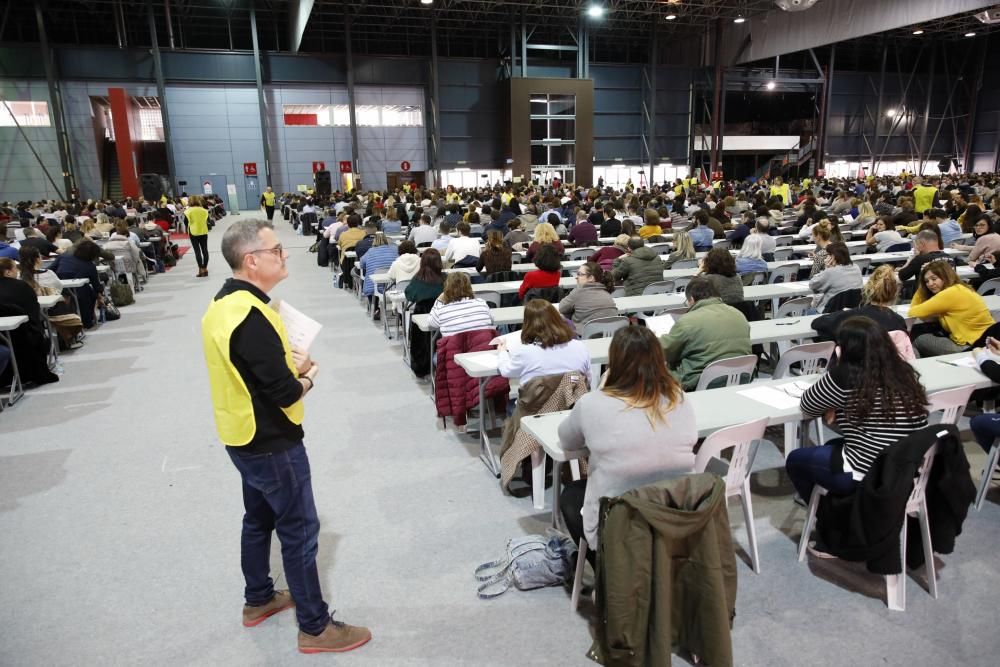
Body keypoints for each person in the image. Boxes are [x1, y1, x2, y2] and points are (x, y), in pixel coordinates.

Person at [201, 220, 370, 653]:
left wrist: (283, 368)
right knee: (299, 529)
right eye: (277, 249)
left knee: (258, 519)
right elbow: (283, 392)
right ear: (252, 260)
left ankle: (258, 598)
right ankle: (315, 627)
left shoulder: (223, 304)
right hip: (272, 440)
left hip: (241, 433)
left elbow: (252, 372)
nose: (285, 254)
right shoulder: (252, 317)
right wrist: (309, 376)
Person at [558, 325, 697, 557]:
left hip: (618, 522)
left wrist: (602, 388)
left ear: (614, 363)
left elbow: (567, 441)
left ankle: (608, 571)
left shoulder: (592, 403)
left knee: (571, 496)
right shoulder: (679, 398)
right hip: (675, 512)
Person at [786, 316, 929, 505]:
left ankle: (825, 514)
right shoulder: (903, 371)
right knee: (834, 444)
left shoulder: (846, 374)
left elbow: (808, 405)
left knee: (795, 460)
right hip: (908, 467)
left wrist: (833, 403)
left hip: (868, 471)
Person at [659, 277, 751, 390]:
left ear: (691, 299)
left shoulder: (688, 321)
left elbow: (664, 351)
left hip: (697, 382)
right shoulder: (739, 315)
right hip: (740, 379)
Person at [909, 260, 995, 356]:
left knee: (916, 336)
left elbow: (913, 312)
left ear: (945, 277)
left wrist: (921, 287)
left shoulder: (948, 294)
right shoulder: (962, 287)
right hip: (989, 342)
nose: (930, 284)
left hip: (969, 347)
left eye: (934, 279)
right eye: (926, 281)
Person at [497, 298, 590, 385]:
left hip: (536, 401)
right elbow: (588, 380)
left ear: (528, 324)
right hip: (574, 400)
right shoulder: (580, 347)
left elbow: (506, 371)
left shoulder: (526, 352)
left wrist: (502, 352)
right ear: (557, 318)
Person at [0, 257, 60, 385]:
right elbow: (34, 314)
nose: (17, 271)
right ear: (7, 272)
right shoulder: (21, 286)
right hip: (25, 340)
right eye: (15, 268)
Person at [812, 265, 908, 341]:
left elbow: (817, 323)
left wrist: (842, 313)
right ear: (895, 293)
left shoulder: (853, 317)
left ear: (868, 288)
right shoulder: (899, 321)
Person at [50, 239, 103, 329]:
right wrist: (100, 297)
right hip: (79, 292)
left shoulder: (64, 257)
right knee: (90, 293)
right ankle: (87, 320)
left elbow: (50, 270)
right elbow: (96, 285)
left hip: (59, 290)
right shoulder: (90, 265)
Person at [428, 271, 494, 336]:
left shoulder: (441, 311)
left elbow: (431, 322)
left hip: (454, 346)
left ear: (446, 289)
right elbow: (491, 321)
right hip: (483, 346)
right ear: (469, 287)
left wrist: (439, 299)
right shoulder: (481, 303)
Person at [807, 242, 862, 314]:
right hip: (851, 312)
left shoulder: (830, 272)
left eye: (827, 255)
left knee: (807, 310)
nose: (826, 258)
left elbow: (812, 285)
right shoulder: (856, 267)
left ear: (832, 257)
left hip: (828, 313)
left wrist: (827, 268)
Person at [558, 261, 618, 326]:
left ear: (591, 278)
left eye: (579, 274)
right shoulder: (606, 292)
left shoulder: (578, 291)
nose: (576, 277)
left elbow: (562, 308)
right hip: (609, 334)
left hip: (583, 335)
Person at [897, 228, 964, 283]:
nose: (916, 247)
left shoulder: (920, 259)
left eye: (916, 245)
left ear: (922, 244)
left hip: (925, 297)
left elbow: (902, 276)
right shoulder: (950, 258)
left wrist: (914, 257)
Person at [359, 232, 398, 311]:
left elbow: (361, 264)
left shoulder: (370, 251)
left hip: (374, 286)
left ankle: (375, 309)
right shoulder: (395, 249)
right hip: (392, 285)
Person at [186, 195, 210, 277]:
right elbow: (207, 220)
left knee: (197, 251)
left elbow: (186, 222)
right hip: (203, 231)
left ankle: (200, 269)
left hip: (193, 232)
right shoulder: (204, 210)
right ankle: (205, 268)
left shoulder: (188, 211)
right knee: (205, 250)